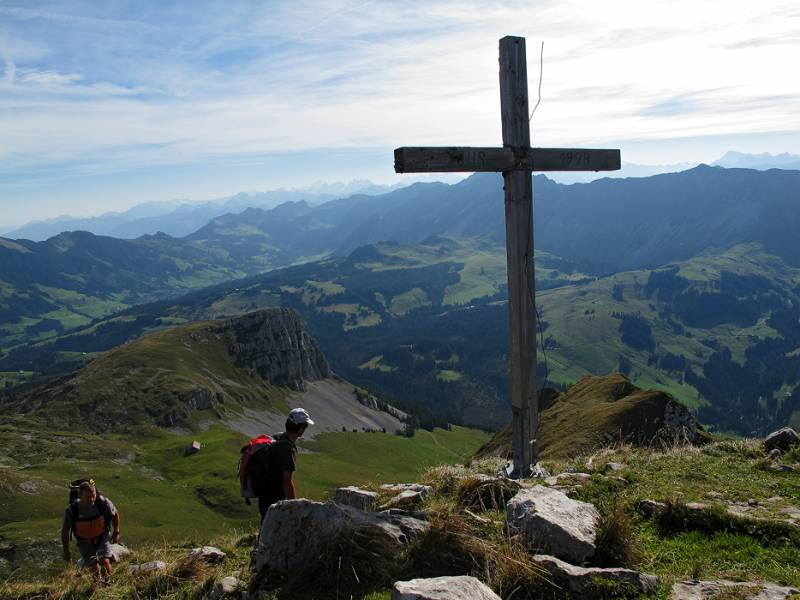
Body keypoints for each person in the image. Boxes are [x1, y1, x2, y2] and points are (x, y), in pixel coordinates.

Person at [252, 407, 314, 523]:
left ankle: (260, 540)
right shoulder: (287, 450)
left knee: (266, 527)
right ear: (300, 429)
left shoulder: (277, 438)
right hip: (275, 498)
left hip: (264, 494)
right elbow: (287, 484)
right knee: (275, 530)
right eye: (305, 426)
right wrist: (294, 507)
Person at [61, 481, 120, 582]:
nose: (92, 499)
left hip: (102, 536)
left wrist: (116, 532)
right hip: (84, 541)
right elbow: (65, 532)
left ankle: (109, 584)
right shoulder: (72, 510)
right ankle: (98, 587)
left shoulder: (102, 502)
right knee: (94, 567)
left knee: (105, 561)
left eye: (93, 496)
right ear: (80, 496)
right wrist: (66, 551)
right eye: (88, 497)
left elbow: (115, 514)